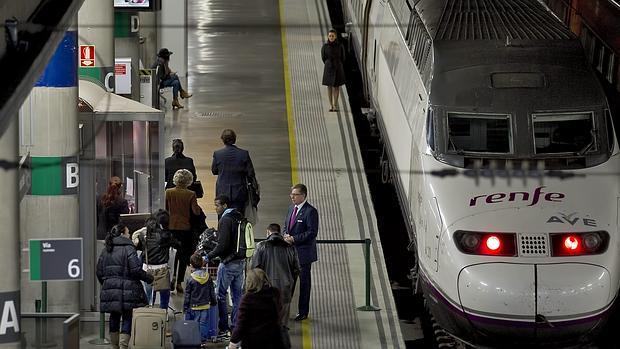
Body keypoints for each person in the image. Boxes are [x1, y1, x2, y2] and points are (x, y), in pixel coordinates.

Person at [97, 223, 154, 349]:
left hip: (110, 289)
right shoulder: (129, 248)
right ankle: (123, 346)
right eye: (128, 232)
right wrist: (149, 278)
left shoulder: (106, 249)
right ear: (122, 233)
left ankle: (114, 346)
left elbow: (99, 272)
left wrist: (108, 284)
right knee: (127, 317)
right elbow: (136, 270)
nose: (129, 235)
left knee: (114, 316)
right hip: (128, 289)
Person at [205, 195, 245, 339]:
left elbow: (222, 246)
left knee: (220, 295)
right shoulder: (239, 216)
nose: (215, 208)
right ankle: (236, 326)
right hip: (241, 262)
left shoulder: (225, 220)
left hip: (228, 263)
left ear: (225, 205)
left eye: (217, 205)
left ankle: (223, 326)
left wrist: (208, 256)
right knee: (237, 296)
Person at [250, 223, 300, 326]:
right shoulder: (290, 247)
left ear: (268, 232)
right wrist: (291, 281)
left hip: (266, 286)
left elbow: (254, 267)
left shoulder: (261, 246)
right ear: (279, 232)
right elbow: (297, 269)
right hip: (286, 285)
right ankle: (282, 331)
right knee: (283, 316)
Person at [281, 184, 319, 321]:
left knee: (304, 283)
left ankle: (303, 312)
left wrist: (294, 239)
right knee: (288, 283)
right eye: (291, 194)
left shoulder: (311, 212)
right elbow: (286, 225)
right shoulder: (291, 208)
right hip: (290, 253)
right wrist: (285, 235)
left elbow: (312, 232)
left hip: (303, 255)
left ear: (303, 195)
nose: (292, 197)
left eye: (295, 194)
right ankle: (284, 310)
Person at [228, 268, 287, 349]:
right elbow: (280, 312)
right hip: (274, 339)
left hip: (253, 342)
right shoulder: (275, 293)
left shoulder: (247, 299)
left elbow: (241, 324)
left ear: (249, 282)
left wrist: (233, 342)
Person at [166, 169, 202, 293]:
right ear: (189, 180)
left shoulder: (168, 192)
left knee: (172, 255)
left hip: (171, 228)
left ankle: (172, 277)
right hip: (185, 228)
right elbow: (196, 211)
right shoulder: (191, 194)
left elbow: (165, 209)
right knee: (183, 255)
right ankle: (180, 283)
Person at [133, 209, 177, 310]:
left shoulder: (144, 235)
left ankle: (150, 314)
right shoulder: (167, 235)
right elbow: (177, 245)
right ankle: (163, 314)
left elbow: (139, 247)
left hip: (147, 269)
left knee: (149, 297)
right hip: (162, 269)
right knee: (164, 294)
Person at [211, 129, 257, 215]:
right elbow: (251, 173)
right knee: (238, 217)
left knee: (223, 217)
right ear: (234, 139)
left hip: (222, 191)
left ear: (223, 140)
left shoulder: (218, 154)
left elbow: (214, 171)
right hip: (239, 192)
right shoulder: (244, 154)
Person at [184, 253, 217, 345]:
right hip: (205, 305)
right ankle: (202, 341)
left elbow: (187, 295)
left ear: (191, 265)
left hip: (194, 306)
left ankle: (193, 340)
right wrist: (213, 302)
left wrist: (185, 307)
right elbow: (211, 291)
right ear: (202, 263)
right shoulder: (208, 277)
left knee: (194, 323)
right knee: (204, 324)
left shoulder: (190, 279)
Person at [321, 29, 346, 112]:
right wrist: (328, 63)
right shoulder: (325, 47)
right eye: (330, 36)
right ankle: (331, 105)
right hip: (328, 68)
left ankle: (335, 105)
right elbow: (323, 58)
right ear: (328, 36)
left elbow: (343, 57)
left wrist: (338, 64)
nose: (331, 37)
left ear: (335, 37)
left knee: (336, 87)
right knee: (329, 86)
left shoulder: (340, 46)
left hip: (338, 68)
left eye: (332, 36)